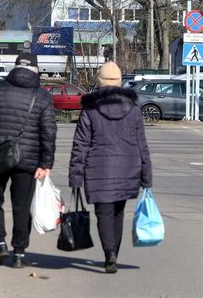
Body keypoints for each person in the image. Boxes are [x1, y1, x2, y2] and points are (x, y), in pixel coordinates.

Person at [0, 52, 57, 268]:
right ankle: (19, 253)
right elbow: (49, 132)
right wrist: (46, 163)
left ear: (15, 67)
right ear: (36, 70)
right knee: (22, 205)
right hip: (28, 160)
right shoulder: (42, 96)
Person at [69, 61, 153, 274]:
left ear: (99, 81)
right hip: (128, 168)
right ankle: (114, 251)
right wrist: (146, 175)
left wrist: (75, 176)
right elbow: (141, 143)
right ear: (119, 82)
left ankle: (109, 253)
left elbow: (81, 144)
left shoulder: (90, 109)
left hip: (98, 169)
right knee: (118, 212)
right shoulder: (133, 109)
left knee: (103, 213)